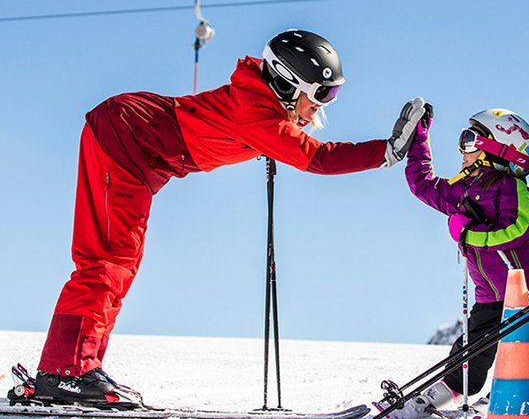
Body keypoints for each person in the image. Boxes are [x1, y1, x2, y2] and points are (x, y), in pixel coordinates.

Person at [22, 29, 431, 407]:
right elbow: (318, 159)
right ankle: (64, 372)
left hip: (136, 148)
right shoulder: (258, 113)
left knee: (119, 266)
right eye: (321, 94)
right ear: (288, 84)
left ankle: (80, 366)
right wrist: (388, 150)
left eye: (333, 93)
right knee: (107, 263)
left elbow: (288, 138)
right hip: (125, 139)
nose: (324, 104)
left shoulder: (262, 105)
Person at [379, 107, 529, 419]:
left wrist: (469, 233)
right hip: (489, 294)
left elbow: (517, 229)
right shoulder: (462, 189)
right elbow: (421, 183)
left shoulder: (511, 187)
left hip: (528, 287)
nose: (462, 149)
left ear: (497, 149)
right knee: (473, 347)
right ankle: (447, 390)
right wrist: (419, 137)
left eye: (469, 140)